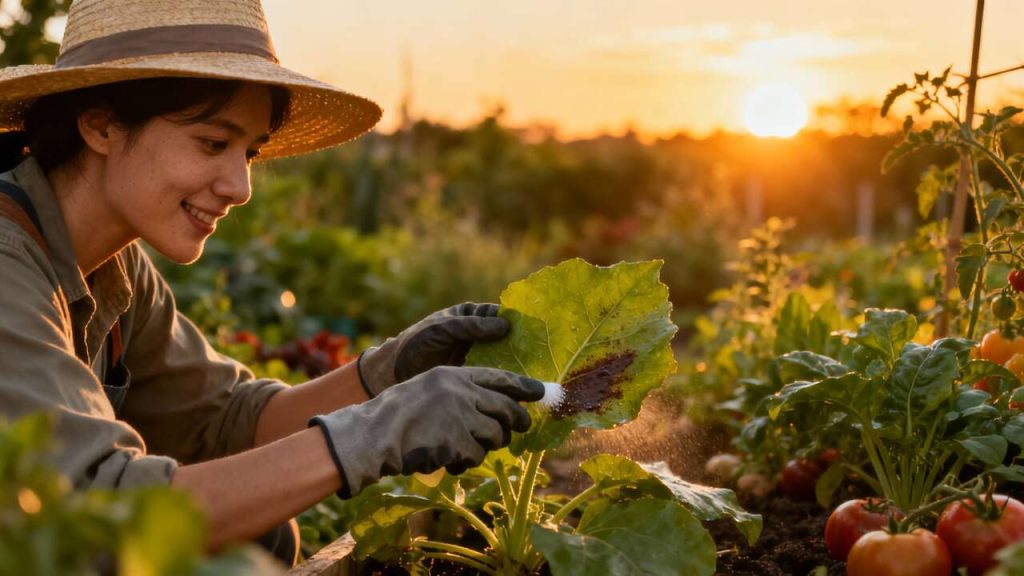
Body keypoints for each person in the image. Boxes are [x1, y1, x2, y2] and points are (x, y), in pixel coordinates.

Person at [0, 0, 545, 566]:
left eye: (250, 152)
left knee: (261, 535)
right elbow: (98, 512)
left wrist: (385, 373)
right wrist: (376, 433)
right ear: (102, 124)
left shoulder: (114, 264)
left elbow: (227, 421)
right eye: (213, 143)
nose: (241, 187)